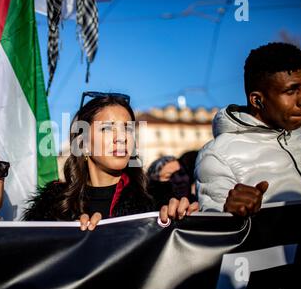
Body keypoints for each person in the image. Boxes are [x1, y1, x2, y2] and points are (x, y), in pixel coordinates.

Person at [24, 92, 199, 230]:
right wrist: (72, 236)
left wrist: (184, 220)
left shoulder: (157, 201)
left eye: (128, 129)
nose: (122, 138)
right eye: (108, 128)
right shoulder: (51, 208)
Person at [196, 42, 301, 216]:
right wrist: (229, 215)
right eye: (291, 91)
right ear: (257, 100)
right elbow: (216, 234)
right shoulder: (217, 155)